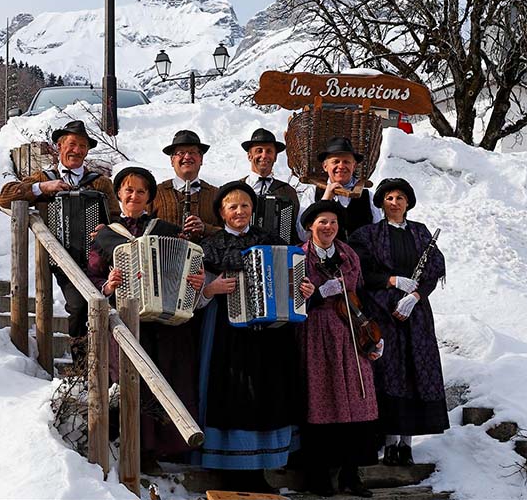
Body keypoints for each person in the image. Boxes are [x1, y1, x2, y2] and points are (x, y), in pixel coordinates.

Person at [195, 181, 314, 492]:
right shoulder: (210, 247)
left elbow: (293, 283)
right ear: (221, 212)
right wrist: (211, 289)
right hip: (225, 332)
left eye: (245, 206)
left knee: (266, 393)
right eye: (232, 206)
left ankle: (261, 468)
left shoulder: (271, 241)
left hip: (269, 337)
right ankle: (231, 469)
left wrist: (303, 291)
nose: (239, 211)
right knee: (231, 393)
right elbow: (193, 294)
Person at [86, 165, 205, 470]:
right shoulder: (105, 234)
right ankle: (130, 446)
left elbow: (187, 267)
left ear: (150, 198)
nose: (134, 195)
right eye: (128, 189)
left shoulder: (165, 231)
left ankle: (155, 452)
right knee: (130, 381)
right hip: (126, 323)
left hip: (163, 323)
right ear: (120, 194)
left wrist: (194, 280)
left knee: (163, 378)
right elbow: (92, 277)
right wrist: (108, 286)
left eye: (141, 191)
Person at [0, 119, 121, 364]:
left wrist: (105, 230)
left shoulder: (100, 182)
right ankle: (81, 366)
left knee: (110, 307)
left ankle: (107, 367)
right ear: (59, 146)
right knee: (77, 306)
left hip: (97, 259)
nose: (77, 150)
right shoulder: (43, 177)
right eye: (72, 144)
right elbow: (5, 197)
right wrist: (42, 187)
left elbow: (116, 218)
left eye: (83, 146)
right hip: (61, 259)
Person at [349, 178, 448, 467]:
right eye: (389, 198)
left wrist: (416, 296)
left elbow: (433, 269)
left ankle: (407, 443)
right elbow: (362, 271)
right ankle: (390, 442)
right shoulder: (368, 234)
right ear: (381, 202)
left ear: (408, 203)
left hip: (415, 313)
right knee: (390, 373)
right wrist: (391, 280)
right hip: (383, 312)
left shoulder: (420, 232)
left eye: (400, 198)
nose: (395, 202)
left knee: (416, 371)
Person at [299, 200, 384, 498]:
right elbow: (291, 303)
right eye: (322, 222)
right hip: (316, 332)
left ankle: (352, 474)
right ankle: (319, 475)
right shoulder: (300, 256)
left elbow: (359, 295)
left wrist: (371, 336)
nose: (328, 227)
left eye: (333, 222)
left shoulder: (348, 254)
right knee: (322, 400)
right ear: (310, 225)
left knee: (359, 399)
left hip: (350, 332)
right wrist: (319, 295)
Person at [296, 137, 382, 243]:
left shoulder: (368, 196)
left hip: (360, 258)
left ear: (354, 166)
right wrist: (325, 200)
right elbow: (302, 235)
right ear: (325, 166)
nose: (341, 166)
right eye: (336, 162)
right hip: (324, 258)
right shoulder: (312, 193)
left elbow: (378, 236)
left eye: (346, 162)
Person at [152, 130, 220, 240]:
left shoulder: (217, 194)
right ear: (172, 160)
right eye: (181, 153)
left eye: (192, 152)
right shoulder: (155, 193)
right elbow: (143, 228)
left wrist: (205, 229)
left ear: (201, 159)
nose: (187, 157)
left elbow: (230, 232)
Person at [238, 127, 300, 244]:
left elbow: (296, 229)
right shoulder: (235, 189)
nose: (264, 155)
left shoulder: (288, 191)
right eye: (259, 150)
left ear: (275, 157)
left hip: (278, 253)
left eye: (269, 151)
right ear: (249, 156)